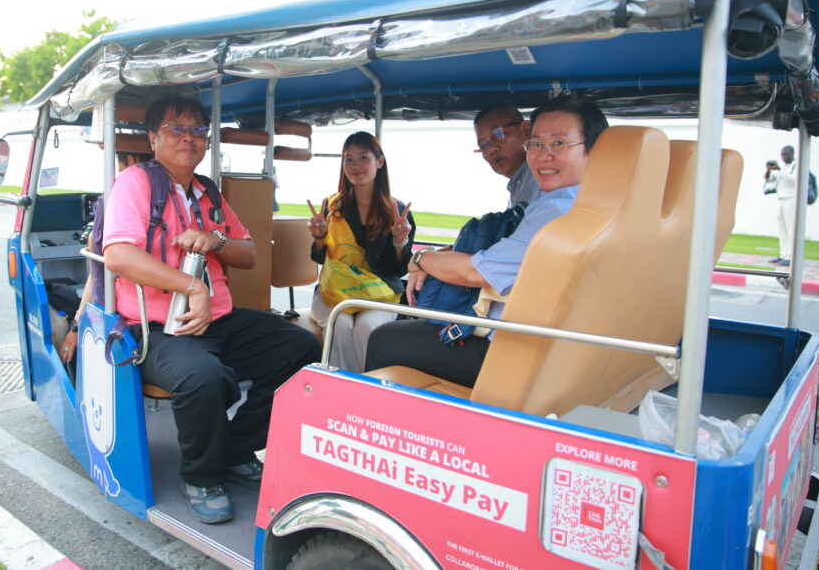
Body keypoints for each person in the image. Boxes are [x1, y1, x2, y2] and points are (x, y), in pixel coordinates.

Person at [102, 96, 320, 524]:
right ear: (152, 138)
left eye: (198, 130)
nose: (189, 137)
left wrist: (214, 240)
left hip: (221, 321)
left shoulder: (208, 192)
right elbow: (118, 256)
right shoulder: (136, 183)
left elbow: (250, 255)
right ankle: (202, 476)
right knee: (203, 377)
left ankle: (236, 448)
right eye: (175, 128)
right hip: (159, 329)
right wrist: (190, 287)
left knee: (300, 348)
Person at [365, 94, 609, 386]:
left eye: (559, 143)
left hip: (511, 350)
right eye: (537, 143)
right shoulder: (597, 202)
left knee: (383, 339)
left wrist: (419, 258)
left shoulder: (554, 210)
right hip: (553, 346)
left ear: (593, 149)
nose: (544, 154)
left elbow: (475, 271)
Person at [307, 132, 415, 373]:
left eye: (363, 157)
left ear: (380, 161)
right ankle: (346, 393)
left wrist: (399, 241)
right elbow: (319, 257)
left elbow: (399, 269)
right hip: (333, 293)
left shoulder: (397, 211)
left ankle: (356, 393)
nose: (355, 166)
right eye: (348, 159)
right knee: (340, 323)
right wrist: (319, 236)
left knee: (367, 328)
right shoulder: (332, 207)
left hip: (380, 295)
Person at [59, 151, 156, 375]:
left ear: (130, 161)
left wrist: (76, 326)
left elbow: (98, 276)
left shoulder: (115, 199)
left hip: (125, 323)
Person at [473, 103, 542, 207]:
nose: (491, 149)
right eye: (483, 145)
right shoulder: (518, 187)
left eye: (498, 134)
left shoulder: (544, 177)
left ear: (526, 130)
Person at [764, 145, 796, 267]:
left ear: (792, 154)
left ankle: (790, 256)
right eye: (782, 154)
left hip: (791, 199)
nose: (783, 157)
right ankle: (783, 255)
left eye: (786, 154)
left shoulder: (796, 166)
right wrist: (769, 169)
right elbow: (769, 179)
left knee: (790, 229)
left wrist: (780, 170)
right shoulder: (783, 168)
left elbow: (794, 180)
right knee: (782, 229)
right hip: (781, 200)